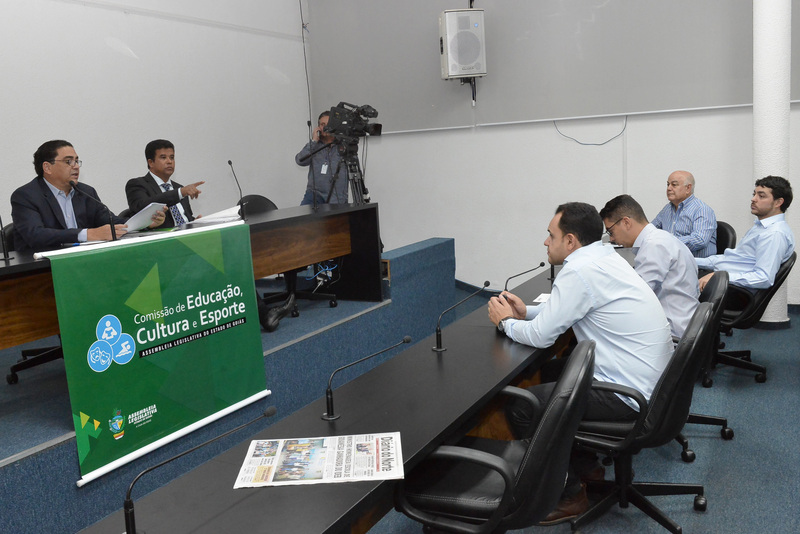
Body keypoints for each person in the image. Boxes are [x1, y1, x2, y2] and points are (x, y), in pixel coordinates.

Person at [487, 202, 673, 525]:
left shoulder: (578, 270)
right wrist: (525, 312)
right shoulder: (603, 257)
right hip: (650, 384)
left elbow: (542, 336)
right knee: (551, 372)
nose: (546, 242)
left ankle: (570, 493)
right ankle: (587, 467)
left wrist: (506, 323)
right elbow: (574, 307)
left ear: (571, 241)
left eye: (551, 235)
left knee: (524, 407)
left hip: (628, 396)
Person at [11, 140, 163, 252]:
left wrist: (146, 222)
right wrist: (87, 234)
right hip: (42, 269)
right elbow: (35, 235)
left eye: (77, 161)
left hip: (83, 261)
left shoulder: (86, 192)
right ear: (47, 167)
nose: (76, 166)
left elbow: (111, 222)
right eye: (68, 161)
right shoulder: (26, 196)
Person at [600, 194, 699, 338]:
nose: (611, 238)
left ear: (626, 222)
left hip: (673, 333)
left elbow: (635, 298)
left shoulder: (654, 246)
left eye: (611, 231)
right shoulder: (660, 238)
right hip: (681, 322)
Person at [697, 176, 794, 294]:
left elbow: (763, 278)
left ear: (778, 202)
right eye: (754, 194)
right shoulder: (760, 227)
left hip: (731, 290)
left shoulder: (773, 234)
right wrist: (691, 260)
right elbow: (731, 260)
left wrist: (718, 276)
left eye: (761, 196)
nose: (753, 199)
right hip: (723, 279)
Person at [125, 139, 204, 227]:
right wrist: (179, 193)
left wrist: (193, 222)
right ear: (151, 162)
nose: (169, 161)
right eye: (163, 157)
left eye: (172, 157)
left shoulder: (179, 187)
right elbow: (143, 208)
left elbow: (184, 218)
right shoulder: (137, 184)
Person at [651, 170, 717, 258]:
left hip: (696, 264)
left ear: (688, 188)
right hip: (670, 261)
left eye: (674, 185)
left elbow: (700, 240)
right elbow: (652, 230)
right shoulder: (667, 209)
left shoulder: (702, 209)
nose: (669, 188)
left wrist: (668, 242)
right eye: (668, 184)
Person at [295, 111, 349, 206]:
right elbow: (300, 161)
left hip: (337, 196)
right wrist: (313, 141)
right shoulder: (314, 145)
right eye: (322, 124)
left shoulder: (343, 146)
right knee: (304, 215)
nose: (325, 127)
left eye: (328, 124)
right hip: (314, 195)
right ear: (318, 127)